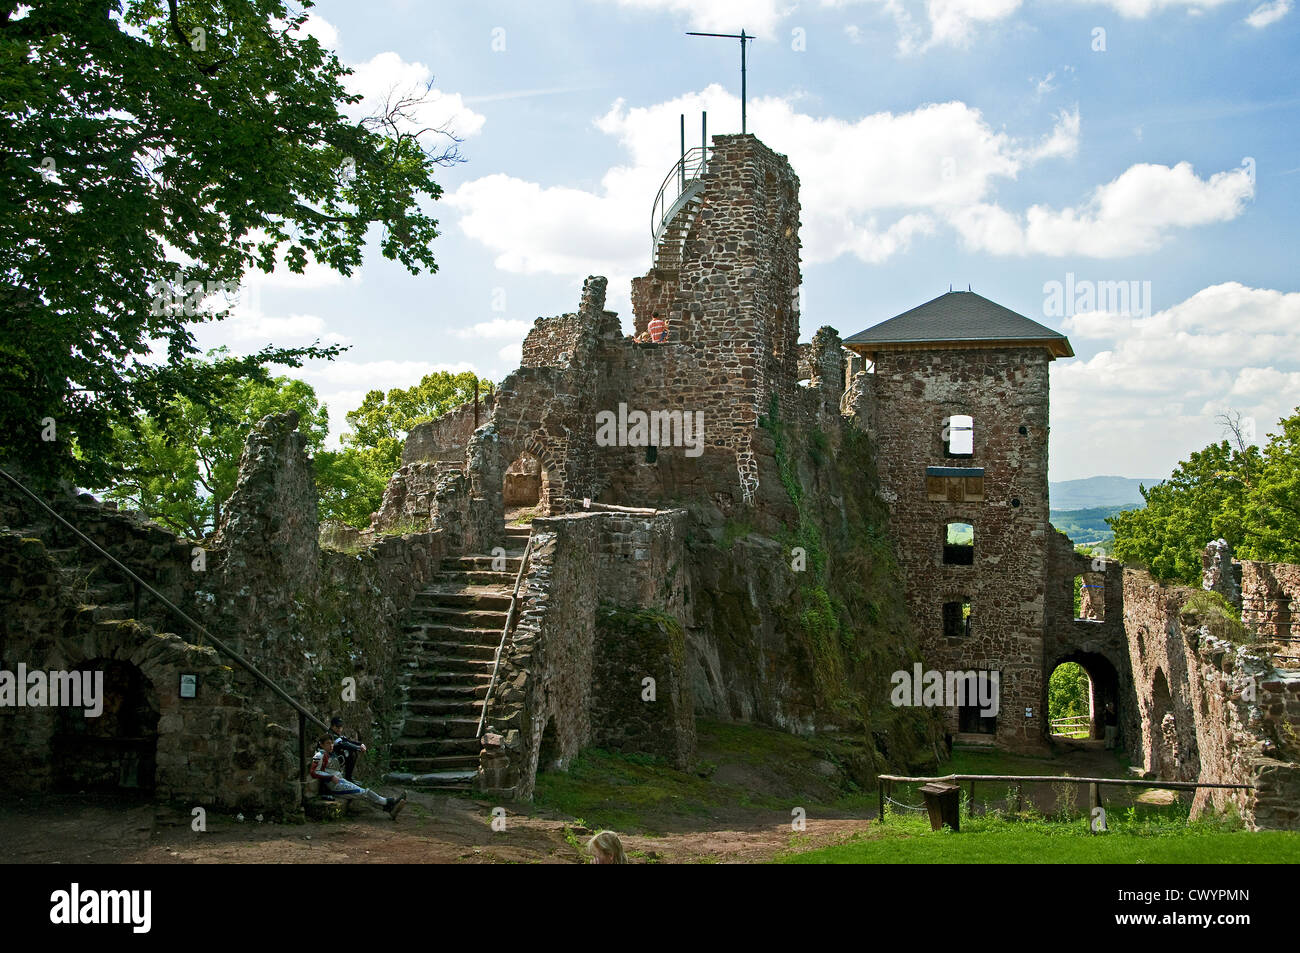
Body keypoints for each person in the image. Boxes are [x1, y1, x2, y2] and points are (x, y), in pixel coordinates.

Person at [310, 736, 406, 819]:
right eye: (328, 743)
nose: (331, 745)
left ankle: (389, 808)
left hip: (339, 781)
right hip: (333, 785)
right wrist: (330, 777)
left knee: (362, 793)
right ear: (321, 744)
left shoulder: (329, 753)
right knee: (363, 793)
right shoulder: (319, 755)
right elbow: (314, 771)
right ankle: (388, 802)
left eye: (331, 743)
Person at [330, 715, 366, 781]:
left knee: (352, 753)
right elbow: (344, 744)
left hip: (335, 757)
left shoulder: (336, 734)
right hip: (330, 759)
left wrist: (360, 744)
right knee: (351, 753)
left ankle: (349, 777)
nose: (339, 729)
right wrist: (358, 747)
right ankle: (348, 778)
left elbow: (347, 741)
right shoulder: (331, 735)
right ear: (332, 726)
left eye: (341, 727)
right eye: (337, 727)